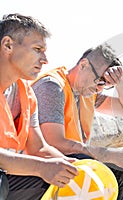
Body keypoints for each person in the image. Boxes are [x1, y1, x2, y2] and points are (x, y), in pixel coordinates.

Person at [32, 44, 123, 200]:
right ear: (83, 65)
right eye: (99, 80)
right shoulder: (52, 87)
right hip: (44, 167)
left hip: (75, 160)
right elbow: (54, 142)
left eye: (106, 85)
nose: (99, 88)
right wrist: (107, 155)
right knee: (104, 163)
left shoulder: (89, 94)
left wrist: (121, 83)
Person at [0, 13, 79, 200]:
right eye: (38, 49)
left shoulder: (27, 94)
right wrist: (41, 168)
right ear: (7, 45)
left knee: (65, 179)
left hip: (7, 176)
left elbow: (39, 149)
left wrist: (72, 167)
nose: (45, 60)